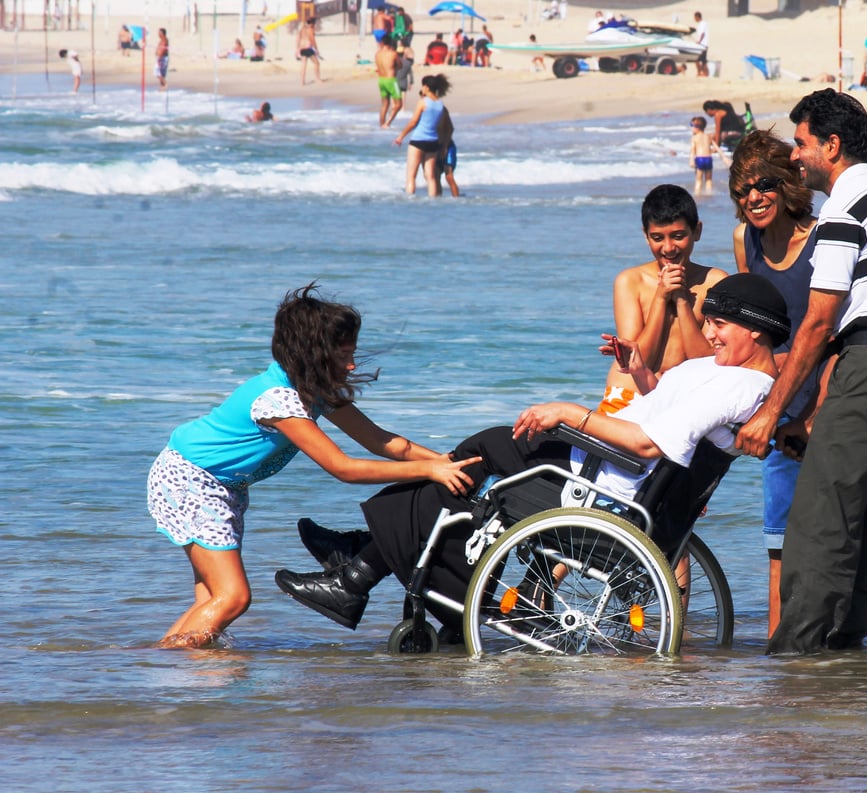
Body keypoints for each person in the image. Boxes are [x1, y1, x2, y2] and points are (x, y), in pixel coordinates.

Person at [274, 275, 790, 635]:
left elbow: (650, 444)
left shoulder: (740, 386)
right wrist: (640, 373)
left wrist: (569, 413)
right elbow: (659, 419)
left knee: (479, 454)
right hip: (610, 466)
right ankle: (365, 558)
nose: (708, 333)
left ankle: (360, 568)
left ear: (756, 329)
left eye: (720, 324)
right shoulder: (722, 374)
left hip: (609, 483)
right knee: (464, 470)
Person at [147, 283, 480, 649]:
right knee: (233, 598)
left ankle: (166, 671)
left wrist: (449, 462)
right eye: (343, 356)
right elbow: (344, 468)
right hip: (191, 480)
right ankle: (167, 666)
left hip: (218, 484)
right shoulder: (280, 400)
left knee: (212, 600)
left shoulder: (314, 390)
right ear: (313, 356)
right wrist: (429, 472)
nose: (352, 365)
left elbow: (384, 442)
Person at [735, 89, 867, 655]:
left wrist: (770, 415)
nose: (796, 157)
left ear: (831, 146)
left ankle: (796, 657)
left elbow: (818, 323)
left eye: (802, 144)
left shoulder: (843, 210)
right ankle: (847, 652)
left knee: (818, 516)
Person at [728, 129, 822, 639]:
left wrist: (813, 414)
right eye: (743, 191)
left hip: (825, 400)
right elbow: (758, 327)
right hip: (779, 409)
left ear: (787, 182)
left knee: (829, 540)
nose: (753, 198)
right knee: (778, 545)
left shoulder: (823, 235)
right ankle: (778, 657)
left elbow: (832, 334)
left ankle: (831, 652)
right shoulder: (747, 241)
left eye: (763, 185)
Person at [600, 184, 727, 415]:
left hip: (682, 402)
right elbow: (637, 362)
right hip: (629, 395)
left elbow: (707, 363)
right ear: (646, 236)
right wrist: (660, 297)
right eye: (657, 238)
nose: (668, 248)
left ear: (696, 231)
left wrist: (680, 300)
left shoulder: (714, 281)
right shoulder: (630, 281)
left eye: (678, 236)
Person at [394, 73, 450, 196]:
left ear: (426, 87)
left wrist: (401, 136)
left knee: (411, 176)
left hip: (418, 140)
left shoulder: (423, 102)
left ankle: (410, 201)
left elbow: (413, 122)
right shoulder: (440, 105)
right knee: (430, 176)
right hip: (433, 141)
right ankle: (432, 201)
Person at [688, 115, 723, 196]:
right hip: (708, 159)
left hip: (700, 159)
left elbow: (693, 150)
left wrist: (691, 161)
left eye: (691, 126)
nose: (691, 128)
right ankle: (709, 193)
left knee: (699, 179)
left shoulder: (694, 138)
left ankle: (697, 194)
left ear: (696, 127)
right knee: (708, 179)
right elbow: (714, 148)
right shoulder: (708, 136)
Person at [375, 34, 402, 127]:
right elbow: (400, 65)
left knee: (385, 104)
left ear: (382, 42)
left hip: (381, 80)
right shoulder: (393, 53)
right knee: (399, 104)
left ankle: (381, 124)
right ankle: (387, 123)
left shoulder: (377, 54)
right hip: (391, 80)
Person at [433, 107, 461, 197]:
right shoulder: (426, 112)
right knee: (436, 177)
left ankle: (457, 199)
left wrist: (445, 147)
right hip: (436, 149)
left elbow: (450, 129)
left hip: (448, 148)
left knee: (449, 177)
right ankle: (438, 202)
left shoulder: (441, 110)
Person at [297, 16, 322, 85]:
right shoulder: (310, 29)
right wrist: (316, 49)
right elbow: (312, 40)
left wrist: (297, 49)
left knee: (303, 65)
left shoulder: (301, 29)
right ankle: (318, 79)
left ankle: (302, 82)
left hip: (302, 48)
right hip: (308, 48)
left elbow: (298, 39)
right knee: (316, 63)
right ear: (312, 23)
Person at [692, 11, 709, 77]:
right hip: (703, 45)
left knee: (699, 60)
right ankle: (703, 73)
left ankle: (702, 73)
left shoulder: (702, 24)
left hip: (702, 45)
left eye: (695, 18)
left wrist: (699, 41)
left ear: (697, 17)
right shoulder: (702, 24)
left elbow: (702, 34)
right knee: (702, 60)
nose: (694, 19)